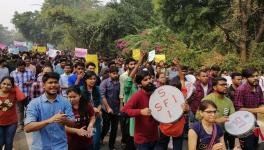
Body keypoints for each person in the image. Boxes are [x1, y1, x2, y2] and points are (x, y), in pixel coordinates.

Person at [24, 72, 75, 150]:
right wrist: (50, 120)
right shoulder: (34, 103)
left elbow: (72, 123)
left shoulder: (65, 101)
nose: (53, 85)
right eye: (50, 82)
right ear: (44, 85)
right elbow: (27, 128)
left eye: (56, 82)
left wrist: (65, 120)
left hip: (61, 146)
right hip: (40, 147)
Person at [122, 70, 159, 150]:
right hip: (142, 140)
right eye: (145, 80)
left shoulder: (157, 94)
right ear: (140, 84)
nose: (149, 81)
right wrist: (140, 111)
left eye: (150, 78)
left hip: (155, 137)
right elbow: (124, 111)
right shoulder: (137, 95)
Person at [200, 77, 236, 149]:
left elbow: (233, 116)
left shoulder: (228, 101)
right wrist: (216, 120)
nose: (225, 86)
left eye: (226, 84)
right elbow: (198, 117)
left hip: (227, 132)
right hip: (211, 133)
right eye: (222, 85)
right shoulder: (207, 99)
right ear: (214, 87)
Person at [234, 68, 264, 150]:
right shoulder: (240, 90)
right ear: (245, 78)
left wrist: (262, 108)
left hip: (254, 123)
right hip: (243, 125)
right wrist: (258, 110)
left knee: (255, 144)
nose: (255, 78)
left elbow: (261, 102)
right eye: (252, 76)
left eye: (256, 75)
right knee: (248, 147)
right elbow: (238, 109)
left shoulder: (258, 87)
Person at [66, 86, 95, 150]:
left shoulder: (87, 105)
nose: (72, 99)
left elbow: (92, 117)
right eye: (69, 97)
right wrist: (76, 131)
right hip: (72, 142)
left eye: (74, 97)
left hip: (87, 140)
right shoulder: (65, 108)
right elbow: (63, 127)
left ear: (80, 95)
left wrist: (90, 125)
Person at [0, 77, 25, 150]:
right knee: (0, 142)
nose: (5, 86)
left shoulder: (14, 92)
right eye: (4, 83)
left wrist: (16, 87)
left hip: (11, 123)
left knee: (9, 143)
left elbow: (21, 98)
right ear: (0, 84)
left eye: (8, 84)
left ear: (12, 86)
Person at [10, 60, 35, 131]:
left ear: (25, 67)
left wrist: (29, 82)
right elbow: (11, 84)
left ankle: (28, 123)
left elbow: (33, 80)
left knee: (29, 109)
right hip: (18, 95)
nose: (21, 69)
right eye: (20, 68)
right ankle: (21, 125)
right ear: (17, 67)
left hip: (28, 94)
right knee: (19, 111)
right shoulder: (12, 73)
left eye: (23, 68)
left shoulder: (29, 72)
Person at [100, 66, 120, 150]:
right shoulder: (104, 83)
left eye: (116, 73)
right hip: (106, 109)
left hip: (116, 110)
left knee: (114, 129)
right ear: (109, 74)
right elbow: (103, 96)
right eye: (113, 73)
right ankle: (101, 138)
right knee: (106, 127)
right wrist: (108, 108)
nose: (115, 75)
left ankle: (111, 146)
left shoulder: (119, 83)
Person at [82, 71, 102, 150]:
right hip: (85, 118)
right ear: (85, 80)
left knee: (96, 140)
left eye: (94, 79)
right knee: (87, 140)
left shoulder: (97, 88)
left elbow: (100, 103)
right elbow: (80, 105)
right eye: (90, 79)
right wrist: (92, 108)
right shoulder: (81, 90)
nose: (93, 80)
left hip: (96, 118)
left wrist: (98, 110)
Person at [119, 58, 136, 147]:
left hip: (136, 108)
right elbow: (122, 91)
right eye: (131, 64)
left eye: (134, 64)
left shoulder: (137, 82)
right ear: (126, 65)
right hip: (127, 105)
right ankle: (124, 140)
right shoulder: (123, 76)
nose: (133, 66)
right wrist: (121, 105)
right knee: (126, 125)